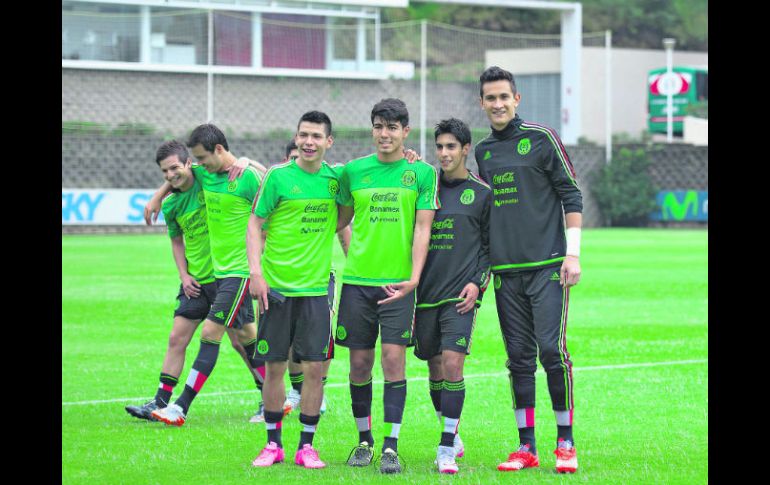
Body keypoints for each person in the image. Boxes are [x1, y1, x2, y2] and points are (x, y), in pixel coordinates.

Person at [475, 66, 582, 474]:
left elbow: (571, 194)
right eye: (490, 98)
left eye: (504, 97)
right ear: (482, 103)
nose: (498, 104)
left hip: (548, 269)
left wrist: (573, 255)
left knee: (552, 352)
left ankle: (565, 442)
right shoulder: (483, 151)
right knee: (519, 359)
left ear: (516, 99)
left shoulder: (541, 139)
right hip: (506, 274)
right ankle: (526, 446)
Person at [335, 98, 439, 474]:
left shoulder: (422, 173)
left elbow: (423, 227)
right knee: (359, 364)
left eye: (392, 127)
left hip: (398, 285)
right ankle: (364, 441)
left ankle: (391, 446)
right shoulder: (352, 172)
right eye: (379, 126)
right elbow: (338, 218)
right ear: (372, 129)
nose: (385, 133)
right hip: (357, 284)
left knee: (393, 361)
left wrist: (414, 276)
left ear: (405, 131)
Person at [124, 141, 262, 421]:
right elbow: (176, 242)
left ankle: (269, 395)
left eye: (175, 167)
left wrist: (246, 160)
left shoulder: (205, 175)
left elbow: (241, 168)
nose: (170, 174)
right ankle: (160, 401)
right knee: (177, 338)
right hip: (195, 281)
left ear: (190, 163)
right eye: (164, 171)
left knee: (242, 340)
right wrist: (183, 275)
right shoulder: (173, 204)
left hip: (227, 277)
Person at [246, 111, 346, 468]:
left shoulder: (336, 181)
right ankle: (273, 444)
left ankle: (307, 445)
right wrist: (256, 274)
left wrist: (409, 156)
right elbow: (255, 224)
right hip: (277, 289)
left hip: (317, 291)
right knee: (274, 367)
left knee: (316, 369)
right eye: (304, 134)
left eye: (316, 136)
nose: (309, 141)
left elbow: (348, 210)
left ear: (328, 142)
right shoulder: (277, 177)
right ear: (296, 137)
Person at [413, 118, 491, 474]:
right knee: (434, 368)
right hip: (424, 295)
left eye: (451, 147)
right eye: (439, 147)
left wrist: (478, 283)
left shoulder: (482, 193)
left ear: (465, 149)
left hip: (460, 296)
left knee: (453, 364)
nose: (444, 154)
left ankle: (445, 448)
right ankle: (452, 431)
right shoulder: (425, 185)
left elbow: (492, 248)